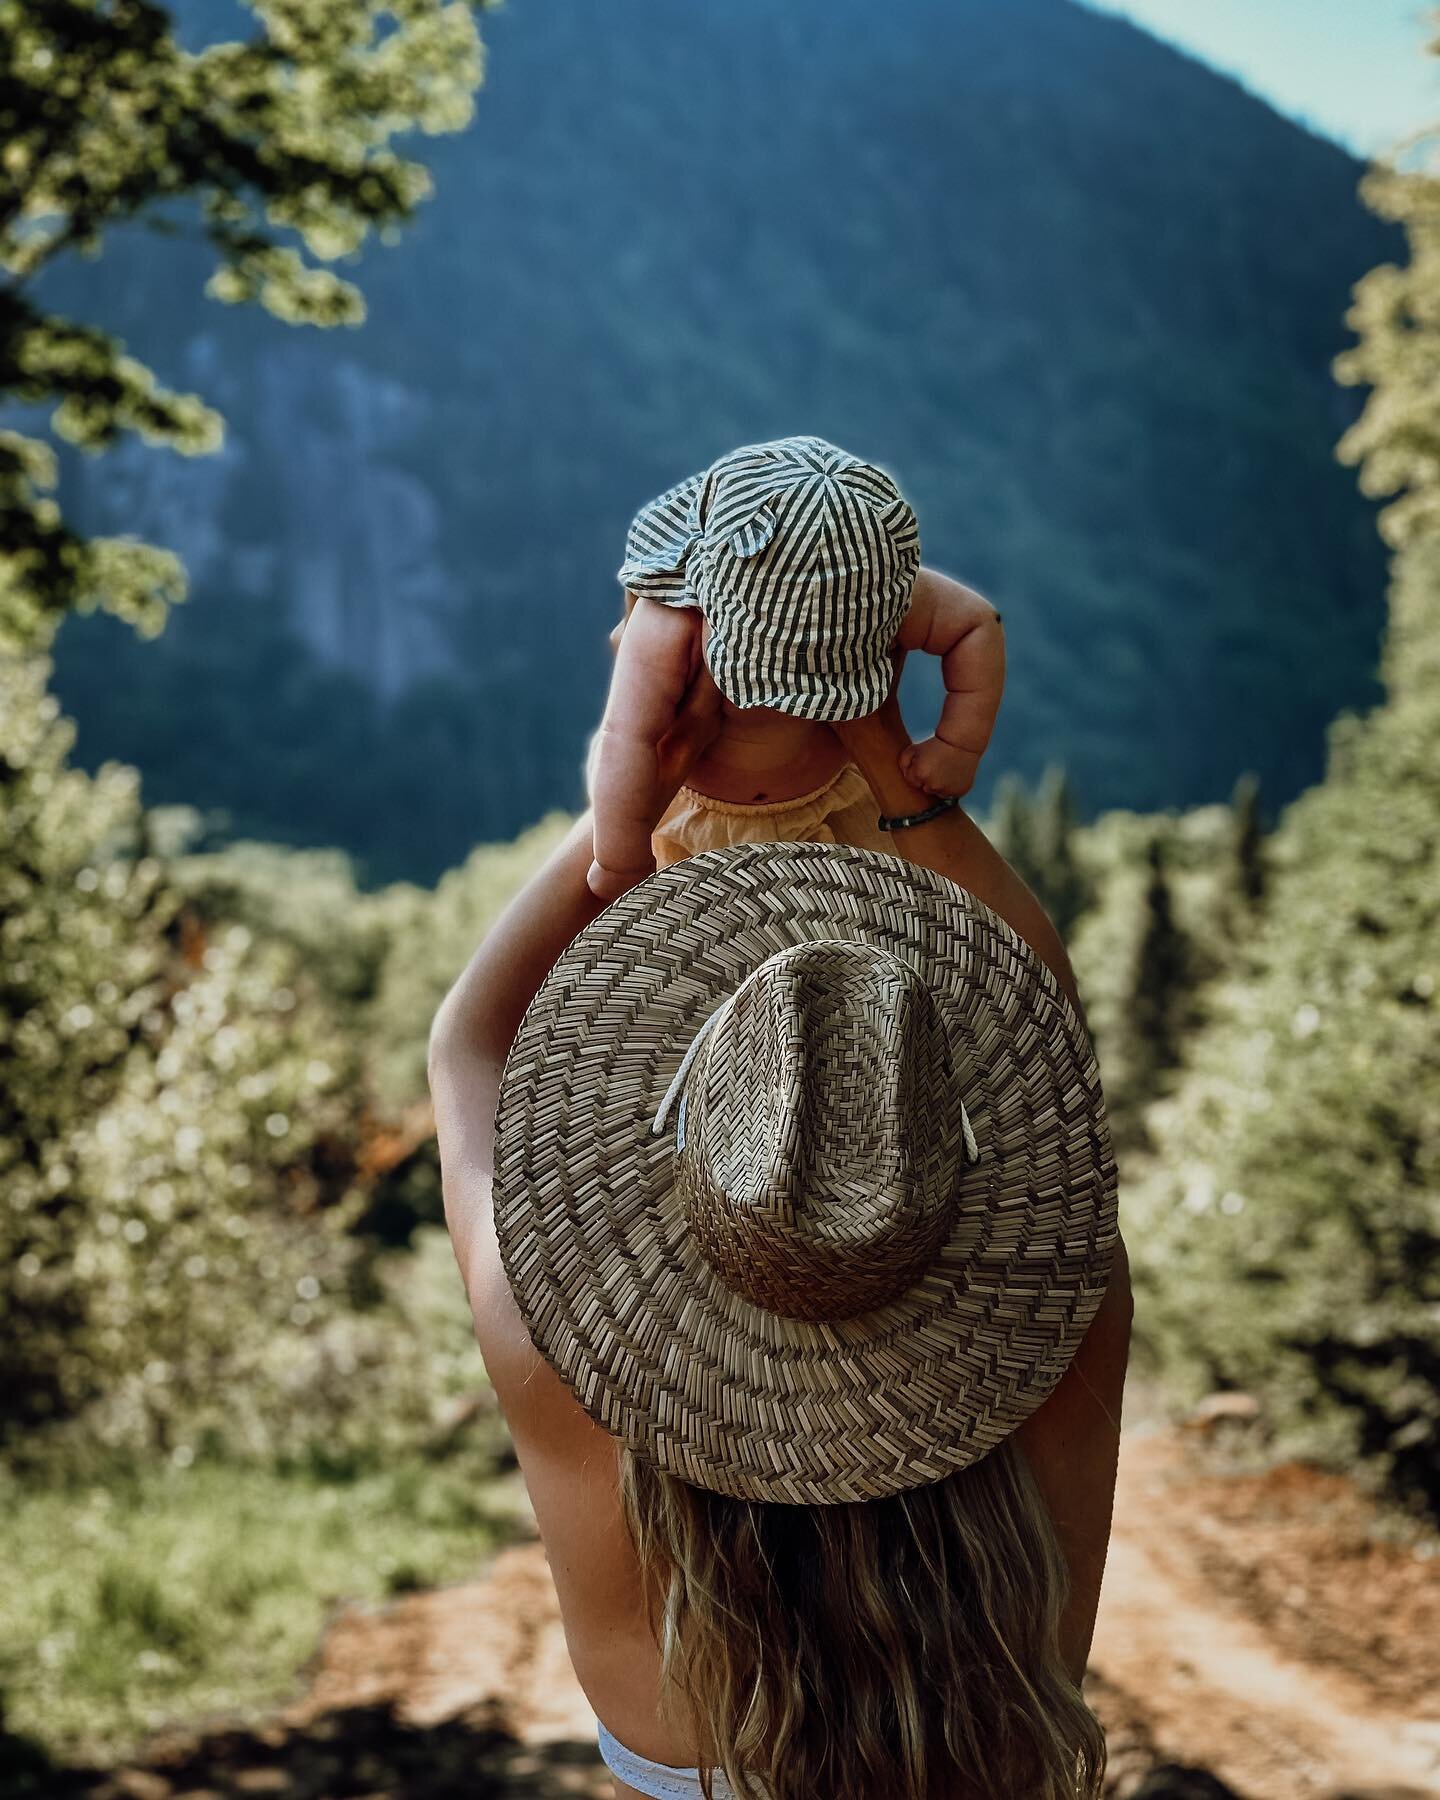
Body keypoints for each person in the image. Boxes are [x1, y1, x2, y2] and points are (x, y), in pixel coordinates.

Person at [429, 641, 1133, 1800]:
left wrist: (635, 793)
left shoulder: (550, 1347)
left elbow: (468, 1048)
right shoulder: (1071, 1321)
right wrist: (888, 763)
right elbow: (1050, 1039)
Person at [585, 435, 1006, 899]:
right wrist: (619, 861)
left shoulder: (872, 586)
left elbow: (976, 627)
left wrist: (957, 746)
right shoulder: (671, 619)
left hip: (840, 807)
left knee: (871, 939)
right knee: (703, 954)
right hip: (696, 825)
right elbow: (624, 738)